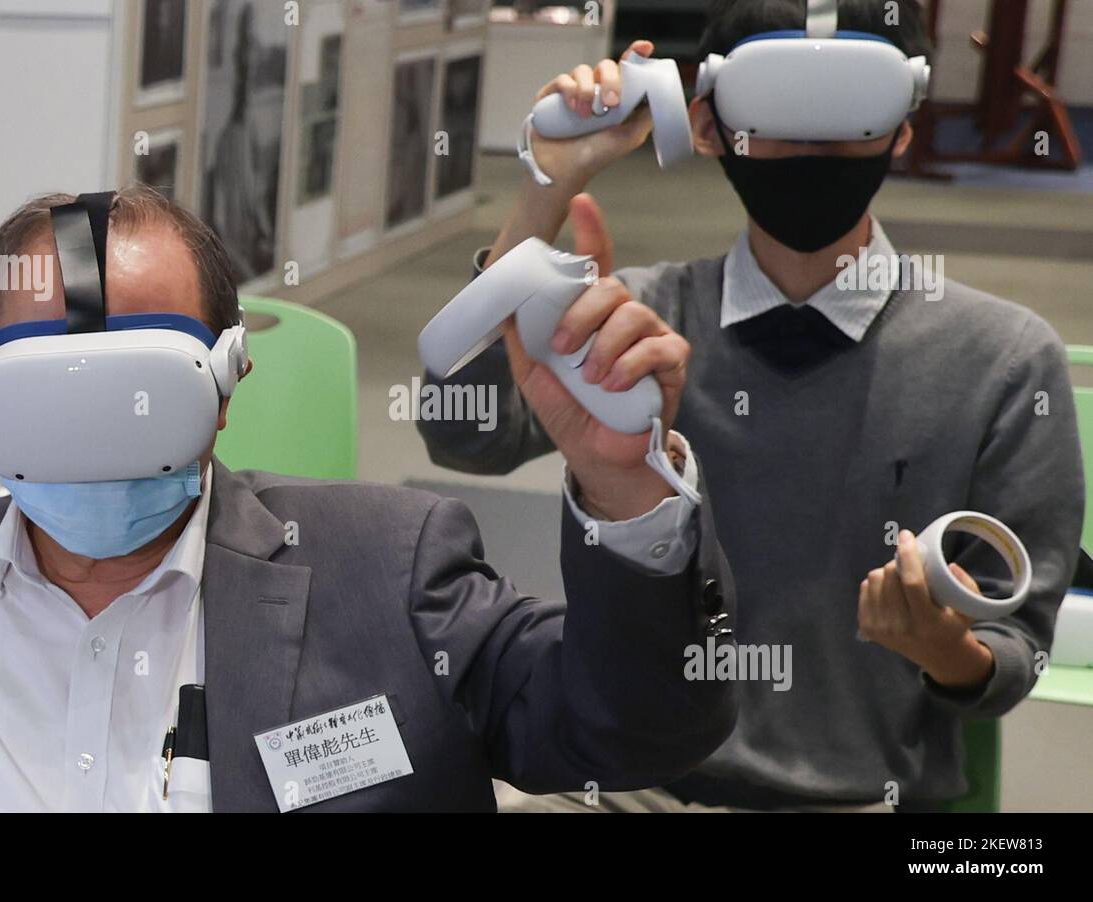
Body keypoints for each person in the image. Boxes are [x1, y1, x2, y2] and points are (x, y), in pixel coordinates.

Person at [0, 184, 735, 812]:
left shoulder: (386, 570)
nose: (98, 436)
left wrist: (623, 485)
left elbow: (634, 731)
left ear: (228, 380)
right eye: (51, 393)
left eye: (140, 393)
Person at [417, 0, 1083, 811]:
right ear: (707, 125)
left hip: (852, 798)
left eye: (847, 112)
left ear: (902, 126)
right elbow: (464, 434)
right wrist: (544, 190)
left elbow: (1015, 650)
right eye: (779, 110)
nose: (812, 145)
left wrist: (944, 648)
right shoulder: (643, 323)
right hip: (629, 780)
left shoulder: (1003, 358)